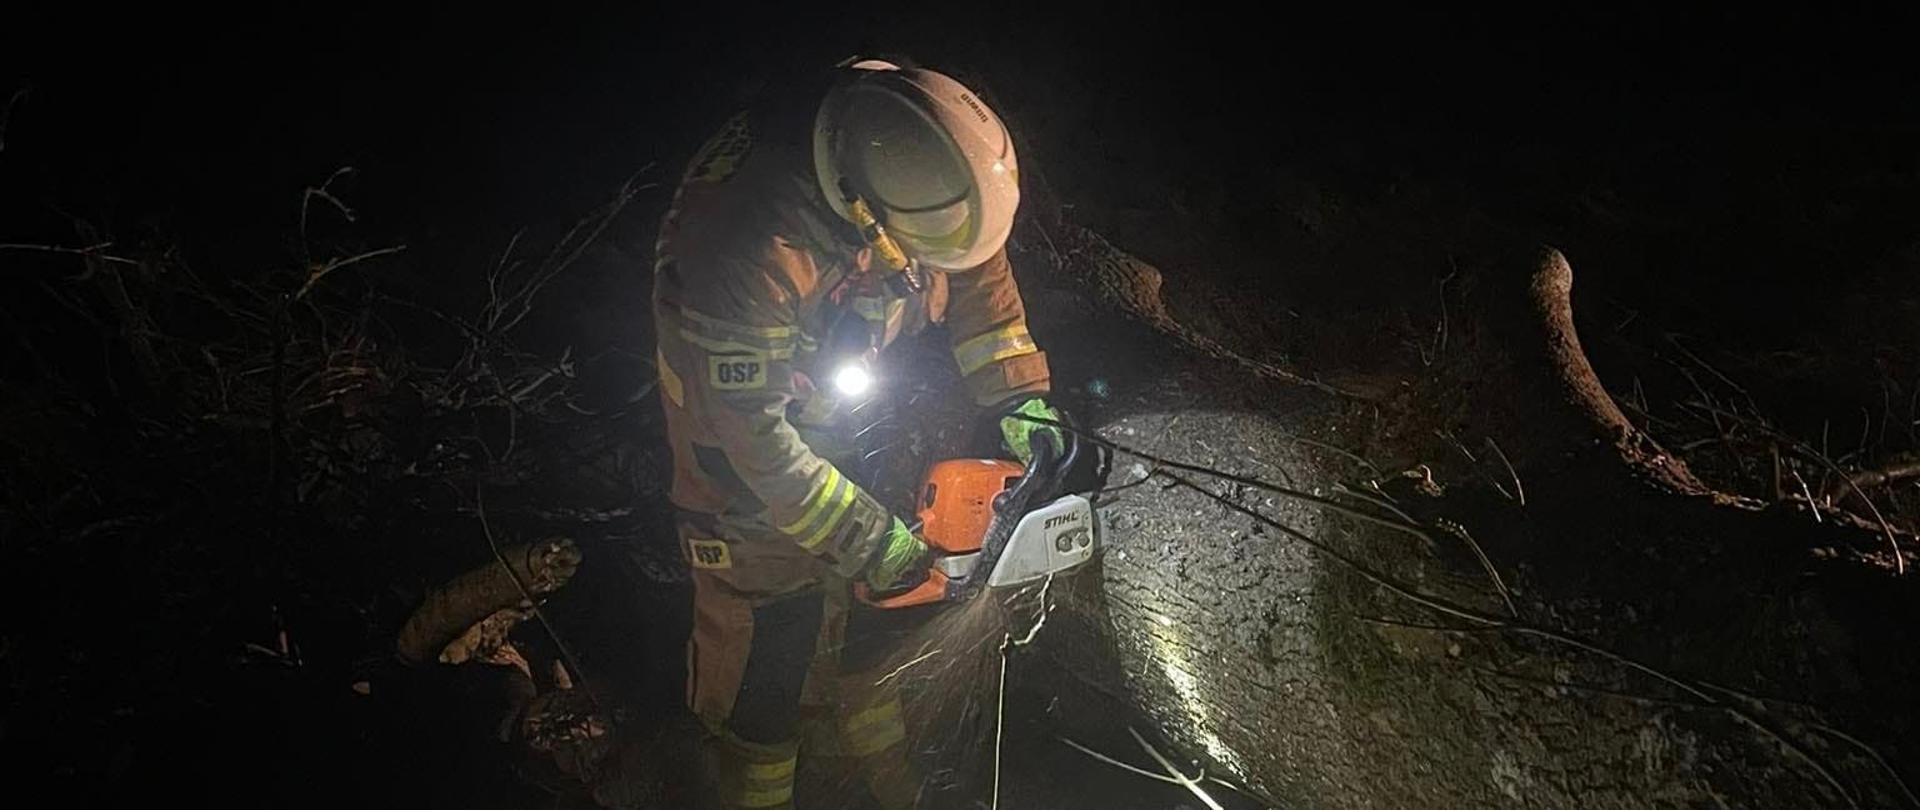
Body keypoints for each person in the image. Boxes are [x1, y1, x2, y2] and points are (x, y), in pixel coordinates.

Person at [651, 57, 1066, 809]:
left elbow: (976, 278)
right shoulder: (744, 250)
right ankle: (758, 789)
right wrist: (871, 542)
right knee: (767, 669)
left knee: (866, 653)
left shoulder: (918, 165)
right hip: (738, 464)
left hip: (844, 420)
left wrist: (1022, 400)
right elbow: (756, 448)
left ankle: (886, 790)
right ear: (864, 214)